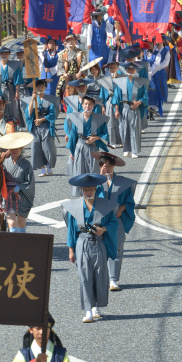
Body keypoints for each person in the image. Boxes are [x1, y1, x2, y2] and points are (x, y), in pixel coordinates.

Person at [63, 173, 118, 322]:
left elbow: (114, 223)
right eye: (86, 189)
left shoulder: (104, 204)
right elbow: (71, 230)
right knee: (84, 276)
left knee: (100, 275)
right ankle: (88, 309)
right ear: (81, 189)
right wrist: (71, 249)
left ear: (96, 189)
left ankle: (96, 307)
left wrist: (104, 229)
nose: (89, 192)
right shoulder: (74, 206)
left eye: (92, 189)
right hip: (82, 243)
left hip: (99, 242)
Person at [94, 152, 136, 291]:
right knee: (99, 249)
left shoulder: (123, 183)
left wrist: (122, 208)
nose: (106, 169)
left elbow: (130, 202)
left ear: (113, 167)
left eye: (108, 166)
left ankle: (113, 279)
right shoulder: (94, 182)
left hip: (116, 220)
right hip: (99, 220)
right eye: (103, 166)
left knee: (117, 248)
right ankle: (100, 277)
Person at [67, 94, 109, 189]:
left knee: (94, 170)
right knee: (80, 171)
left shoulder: (98, 118)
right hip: (79, 146)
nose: (87, 106)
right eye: (85, 104)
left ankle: (94, 192)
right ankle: (80, 194)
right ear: (82, 105)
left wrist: (96, 137)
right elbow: (73, 136)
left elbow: (105, 133)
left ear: (93, 106)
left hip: (93, 147)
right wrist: (71, 151)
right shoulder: (77, 117)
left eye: (90, 104)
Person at [0, 132, 35, 232]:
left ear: (21, 148)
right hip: (8, 196)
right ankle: (14, 243)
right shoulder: (5, 162)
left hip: (22, 195)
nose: (14, 150)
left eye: (17, 148)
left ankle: (22, 241)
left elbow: (30, 182)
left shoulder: (26, 164)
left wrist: (19, 187)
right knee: (12, 222)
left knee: (21, 221)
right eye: (12, 148)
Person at [21, 78, 59, 177]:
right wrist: (33, 99)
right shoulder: (31, 99)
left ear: (45, 87)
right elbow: (28, 114)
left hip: (46, 125)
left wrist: (42, 120)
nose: (40, 88)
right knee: (35, 147)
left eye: (42, 86)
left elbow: (52, 114)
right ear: (35, 88)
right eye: (38, 86)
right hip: (35, 126)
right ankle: (42, 168)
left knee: (48, 147)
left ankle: (49, 166)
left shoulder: (50, 99)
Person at [112, 58, 149, 158]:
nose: (130, 71)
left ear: (135, 71)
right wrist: (116, 110)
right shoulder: (121, 82)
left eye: (132, 70)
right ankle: (126, 149)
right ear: (126, 70)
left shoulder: (139, 82)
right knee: (124, 129)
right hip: (124, 109)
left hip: (135, 109)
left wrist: (138, 102)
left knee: (135, 130)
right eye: (128, 69)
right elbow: (116, 96)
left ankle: (135, 150)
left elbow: (144, 96)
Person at [0, 47, 23, 121]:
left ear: (9, 54)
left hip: (10, 89)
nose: (4, 55)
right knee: (0, 107)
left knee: (11, 107)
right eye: (2, 53)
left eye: (6, 53)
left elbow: (17, 79)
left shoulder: (14, 66)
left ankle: (12, 124)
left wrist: (17, 92)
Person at [99, 61, 125, 147]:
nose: (112, 69)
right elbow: (102, 94)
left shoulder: (123, 78)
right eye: (111, 68)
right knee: (110, 122)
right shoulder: (106, 80)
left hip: (121, 102)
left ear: (117, 68)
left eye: (114, 68)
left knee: (121, 122)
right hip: (109, 101)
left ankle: (122, 140)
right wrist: (103, 106)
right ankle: (112, 141)